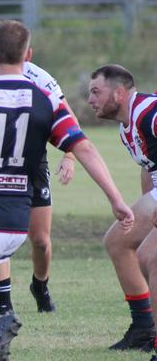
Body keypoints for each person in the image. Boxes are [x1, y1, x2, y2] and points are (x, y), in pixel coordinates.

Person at [0, 20, 134, 361]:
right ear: (28, 55)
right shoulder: (46, 100)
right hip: (16, 222)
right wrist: (117, 200)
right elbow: (84, 148)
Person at [0, 41, 80, 315]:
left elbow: (68, 119)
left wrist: (69, 155)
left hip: (32, 164)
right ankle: (5, 305)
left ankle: (40, 286)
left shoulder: (41, 78)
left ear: (26, 52)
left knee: (41, 240)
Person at [87, 64, 157, 354]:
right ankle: (144, 327)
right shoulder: (126, 128)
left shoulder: (149, 113)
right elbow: (148, 168)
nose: (90, 100)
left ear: (118, 92)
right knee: (121, 243)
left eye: (95, 92)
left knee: (150, 257)